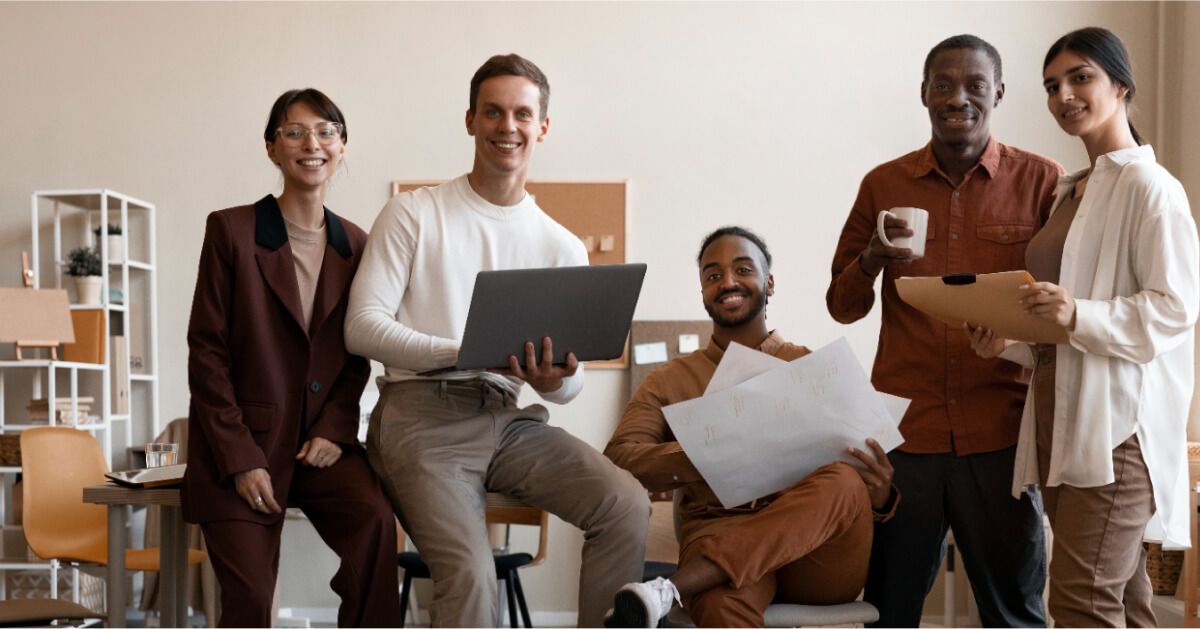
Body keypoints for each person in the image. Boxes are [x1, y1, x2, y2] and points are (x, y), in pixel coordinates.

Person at [344, 53, 649, 628]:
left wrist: (556, 378)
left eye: (521, 114)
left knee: (624, 503)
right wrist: (463, 351)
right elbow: (362, 327)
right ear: (470, 121)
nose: (507, 126)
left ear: (542, 127)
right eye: (493, 112)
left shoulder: (561, 246)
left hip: (507, 418)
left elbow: (570, 386)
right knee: (472, 575)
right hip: (420, 418)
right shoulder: (414, 213)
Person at [826, 34, 1063, 627]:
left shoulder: (1042, 182)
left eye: (975, 85)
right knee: (887, 610)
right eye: (944, 85)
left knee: (1015, 614)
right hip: (906, 435)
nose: (959, 98)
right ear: (924, 94)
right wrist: (873, 258)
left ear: (999, 93)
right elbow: (841, 305)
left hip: (1003, 434)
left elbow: (1062, 308)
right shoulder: (883, 185)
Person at [967, 26, 1198, 627]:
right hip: (1060, 422)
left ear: (1121, 85)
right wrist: (1010, 345)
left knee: (1080, 600)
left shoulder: (1152, 189)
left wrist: (1076, 313)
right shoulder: (1071, 192)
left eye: (1080, 77)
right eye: (1052, 85)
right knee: (1122, 597)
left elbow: (1175, 308)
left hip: (1116, 431)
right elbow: (1062, 333)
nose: (1063, 94)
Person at [603, 226, 899, 628]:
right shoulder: (667, 380)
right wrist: (708, 452)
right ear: (703, 291)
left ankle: (671, 588)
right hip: (719, 528)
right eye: (712, 275)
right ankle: (685, 585)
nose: (727, 282)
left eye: (743, 269)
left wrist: (879, 494)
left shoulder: (816, 370)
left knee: (845, 484)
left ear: (769, 283)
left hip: (817, 555)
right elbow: (620, 458)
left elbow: (859, 487)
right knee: (720, 603)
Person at [182, 88, 402, 627]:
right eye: (295, 131)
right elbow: (207, 352)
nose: (313, 143)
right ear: (271, 148)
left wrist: (335, 429)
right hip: (242, 450)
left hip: (318, 448)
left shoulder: (356, 242)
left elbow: (357, 353)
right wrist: (240, 458)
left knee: (375, 527)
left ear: (343, 146)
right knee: (251, 598)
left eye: (326, 131)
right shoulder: (231, 231)